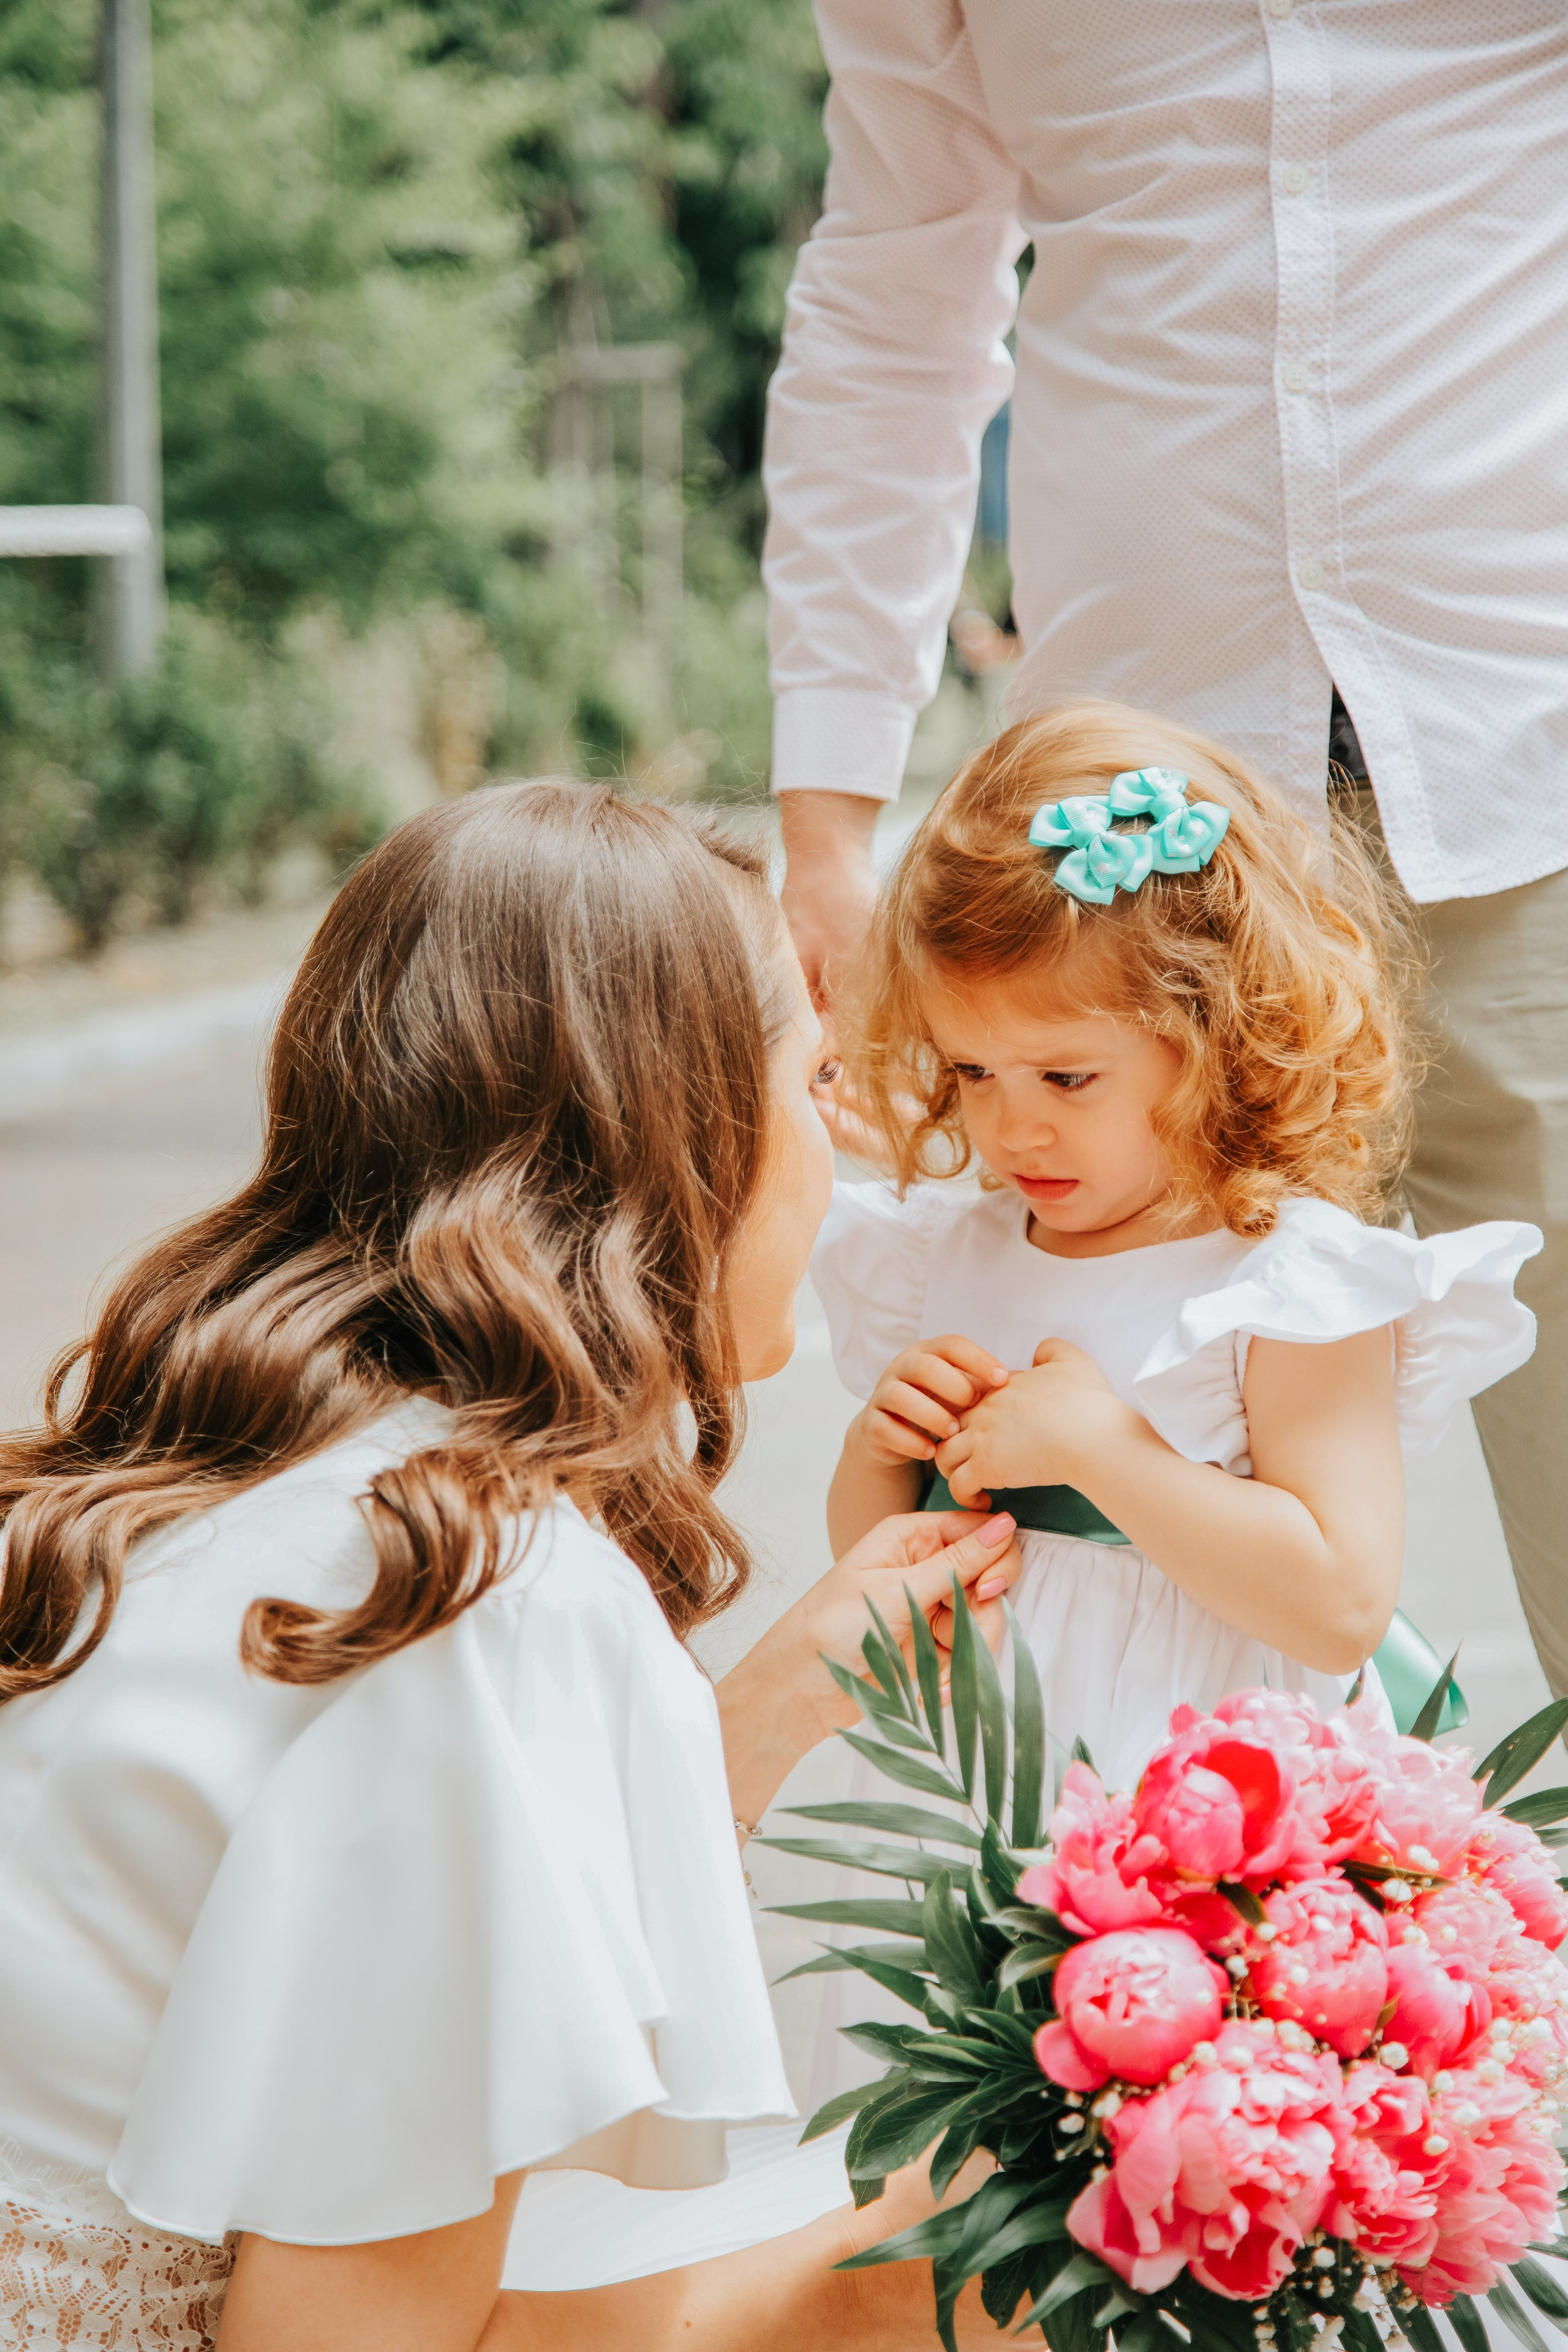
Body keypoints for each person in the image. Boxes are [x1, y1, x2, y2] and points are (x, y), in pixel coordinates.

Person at [0, 782, 1025, 2351]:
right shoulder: (491, 1595)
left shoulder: (227, 1469)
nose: (849, 1155)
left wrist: (757, 1706)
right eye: (815, 1080)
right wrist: (923, 2261)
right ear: (686, 1132)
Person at [763, 0, 1568, 1692]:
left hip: (1536, 756)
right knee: (1090, 1527)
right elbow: (897, 289)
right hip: (1127, 881)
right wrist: (828, 812)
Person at [813, 701, 1540, 1807]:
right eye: (971, 1074)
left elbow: (1341, 1605)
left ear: (1212, 1040)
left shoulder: (1287, 1289)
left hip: (1207, 1798)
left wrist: (1108, 1451)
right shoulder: (942, 1258)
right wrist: (883, 1453)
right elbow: (880, 1566)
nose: (1014, 1131)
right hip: (978, 1786)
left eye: (1066, 1078)